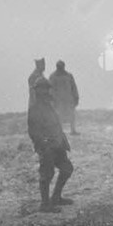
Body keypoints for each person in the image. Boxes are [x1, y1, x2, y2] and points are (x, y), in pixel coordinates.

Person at [27, 77, 74, 212]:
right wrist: (44, 145)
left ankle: (56, 197)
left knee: (67, 169)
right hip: (47, 147)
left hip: (58, 144)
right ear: (37, 91)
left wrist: (61, 141)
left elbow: (56, 125)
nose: (45, 91)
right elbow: (33, 131)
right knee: (46, 174)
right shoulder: (35, 109)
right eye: (42, 89)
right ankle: (45, 204)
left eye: (47, 88)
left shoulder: (49, 106)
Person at [49, 60, 80, 134]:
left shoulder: (69, 76)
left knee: (72, 114)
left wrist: (76, 97)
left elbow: (73, 87)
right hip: (58, 100)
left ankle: (73, 130)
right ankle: (60, 131)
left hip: (69, 99)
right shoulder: (53, 77)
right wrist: (51, 99)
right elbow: (50, 89)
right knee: (59, 116)